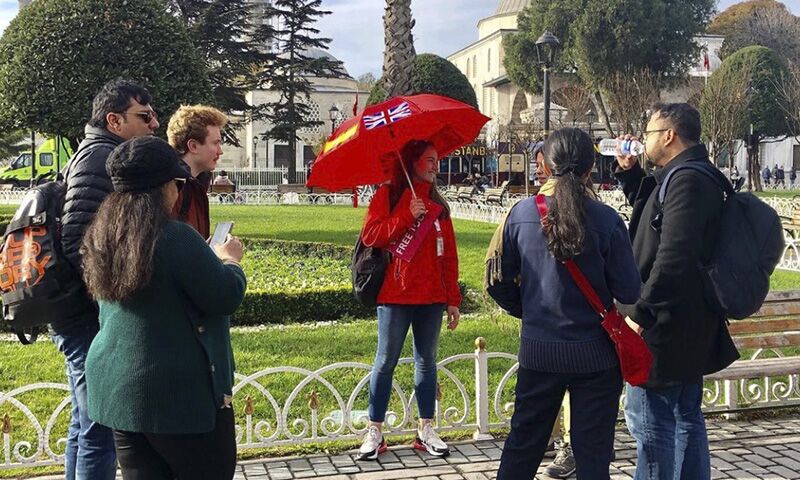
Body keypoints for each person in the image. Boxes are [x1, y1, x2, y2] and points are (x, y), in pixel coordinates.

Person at [82, 136, 247, 480]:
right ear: (165, 187)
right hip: (179, 398)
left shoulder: (102, 235)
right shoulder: (173, 235)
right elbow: (224, 294)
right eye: (178, 183)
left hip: (119, 391)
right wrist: (230, 262)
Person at [488, 128, 641, 479]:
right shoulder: (606, 220)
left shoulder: (520, 214)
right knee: (593, 453)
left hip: (539, 349)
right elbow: (630, 291)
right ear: (591, 169)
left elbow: (497, 282)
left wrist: (530, 310)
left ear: (544, 165)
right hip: (597, 356)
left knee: (523, 445)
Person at [614, 103, 739, 480]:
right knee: (685, 417)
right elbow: (654, 217)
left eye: (650, 132)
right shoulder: (687, 174)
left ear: (669, 135)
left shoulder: (688, 180)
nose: (645, 139)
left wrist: (640, 314)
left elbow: (673, 258)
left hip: (667, 325)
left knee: (653, 425)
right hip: (685, 321)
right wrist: (632, 174)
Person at [56, 79, 159, 480]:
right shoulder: (101, 158)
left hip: (78, 310)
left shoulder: (102, 153)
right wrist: (112, 296)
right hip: (84, 313)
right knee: (99, 424)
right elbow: (77, 240)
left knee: (86, 423)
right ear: (114, 120)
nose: (154, 123)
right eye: (144, 116)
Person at [357, 140, 462, 461]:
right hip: (395, 295)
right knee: (385, 361)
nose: (435, 166)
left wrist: (452, 299)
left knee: (427, 362)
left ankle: (426, 428)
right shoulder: (388, 195)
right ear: (412, 163)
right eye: (429, 160)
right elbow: (371, 236)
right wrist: (405, 214)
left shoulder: (437, 205)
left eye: (436, 160)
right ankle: (374, 430)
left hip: (431, 297)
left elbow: (450, 256)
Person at [167, 104, 228, 237]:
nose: (220, 151)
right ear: (193, 146)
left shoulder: (196, 184)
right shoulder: (171, 188)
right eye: (215, 143)